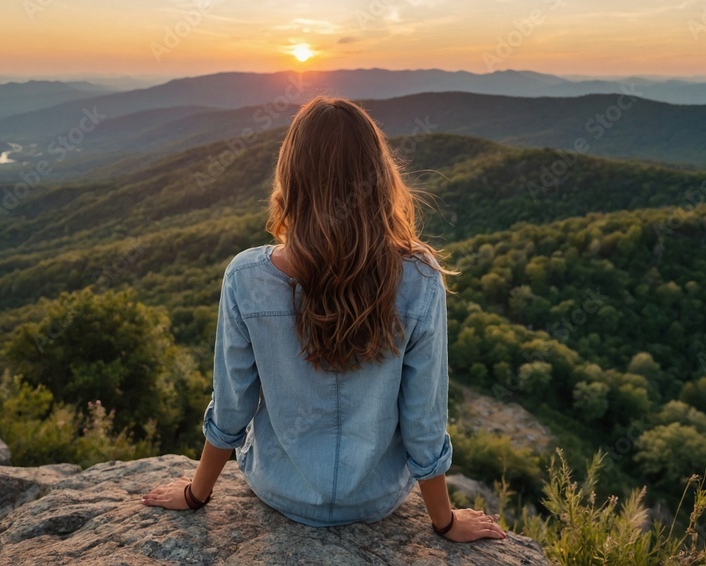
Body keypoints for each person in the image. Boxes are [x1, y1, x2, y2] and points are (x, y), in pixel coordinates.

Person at [141, 95, 507, 543]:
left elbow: (233, 406)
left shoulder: (247, 278)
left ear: (291, 180)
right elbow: (423, 418)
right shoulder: (419, 277)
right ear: (379, 179)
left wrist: (197, 494)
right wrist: (445, 522)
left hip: (279, 489)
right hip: (376, 498)